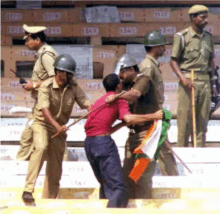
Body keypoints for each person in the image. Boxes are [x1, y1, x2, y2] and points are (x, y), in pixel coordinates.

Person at [84, 73, 163, 207]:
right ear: (119, 86)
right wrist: (154, 116)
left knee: (106, 183)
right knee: (119, 188)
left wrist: (120, 125)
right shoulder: (120, 100)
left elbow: (104, 127)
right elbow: (129, 119)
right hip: (103, 143)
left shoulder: (99, 101)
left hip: (89, 144)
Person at [106, 52, 176, 199]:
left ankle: (144, 207)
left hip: (148, 135)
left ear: (130, 70)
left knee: (142, 176)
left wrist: (116, 96)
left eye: (122, 73)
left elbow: (135, 95)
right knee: (128, 176)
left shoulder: (144, 79)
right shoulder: (126, 86)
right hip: (133, 135)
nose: (120, 77)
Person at [22, 54, 90, 202]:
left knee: (56, 164)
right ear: (59, 72)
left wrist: (96, 109)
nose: (71, 76)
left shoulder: (74, 86)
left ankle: (50, 199)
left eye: (72, 73)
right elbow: (44, 111)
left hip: (59, 128)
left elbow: (86, 104)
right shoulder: (46, 86)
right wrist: (57, 126)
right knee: (41, 147)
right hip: (42, 123)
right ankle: (28, 190)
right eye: (69, 73)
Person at [170, 5, 217, 147]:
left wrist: (213, 83)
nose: (205, 20)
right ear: (193, 18)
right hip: (188, 79)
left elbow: (211, 61)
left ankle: (199, 151)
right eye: (202, 17)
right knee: (185, 120)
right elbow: (173, 61)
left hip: (205, 81)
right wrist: (183, 79)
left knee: (202, 120)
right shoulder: (182, 37)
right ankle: (183, 151)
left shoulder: (208, 38)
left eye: (206, 17)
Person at [139, 31, 178, 176]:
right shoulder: (148, 67)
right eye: (162, 45)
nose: (165, 48)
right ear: (155, 47)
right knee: (163, 152)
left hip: (155, 116)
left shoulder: (152, 65)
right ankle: (174, 183)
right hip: (152, 117)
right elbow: (140, 93)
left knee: (155, 151)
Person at [17, 24, 58, 161]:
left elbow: (55, 79)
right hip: (42, 102)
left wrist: (34, 85)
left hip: (45, 103)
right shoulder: (42, 54)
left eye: (28, 39)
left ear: (37, 39)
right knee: (32, 135)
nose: (26, 43)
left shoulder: (46, 55)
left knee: (29, 135)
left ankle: (20, 162)